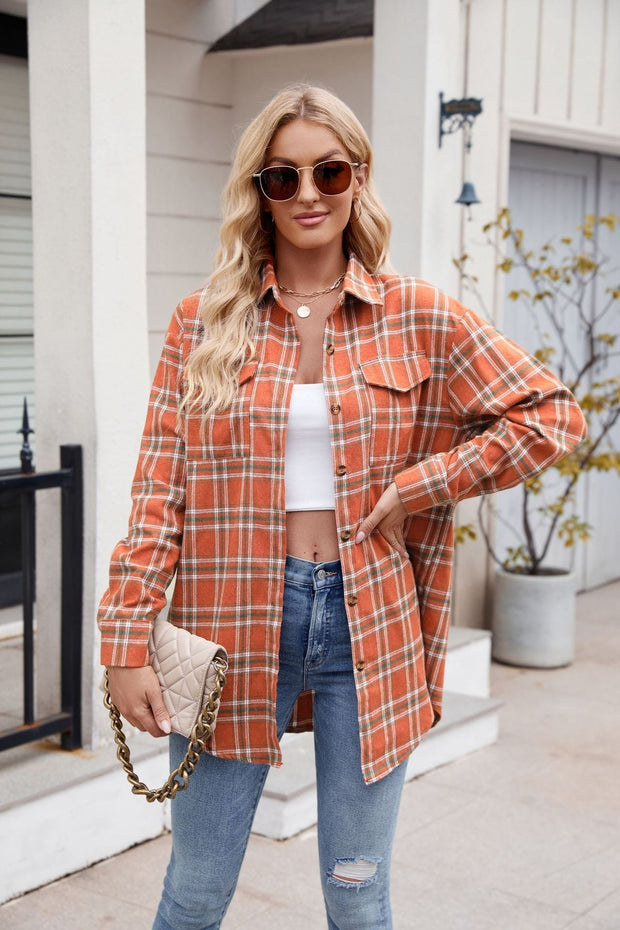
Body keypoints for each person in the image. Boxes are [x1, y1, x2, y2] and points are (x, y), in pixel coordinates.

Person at [98, 84, 586, 930]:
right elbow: (157, 493)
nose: (309, 193)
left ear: (358, 177)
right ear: (259, 190)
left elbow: (551, 416)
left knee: (358, 897)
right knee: (196, 889)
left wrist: (418, 486)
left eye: (329, 170)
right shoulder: (201, 324)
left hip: (371, 625)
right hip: (228, 629)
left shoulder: (417, 315)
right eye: (283, 178)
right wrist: (124, 641)